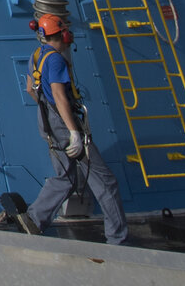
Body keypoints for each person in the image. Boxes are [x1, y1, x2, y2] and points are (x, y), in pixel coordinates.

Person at [18, 13, 128, 246]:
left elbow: (30, 88)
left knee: (66, 177)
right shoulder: (56, 60)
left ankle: (35, 219)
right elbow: (59, 95)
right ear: (63, 33)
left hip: (46, 122)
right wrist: (74, 133)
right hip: (63, 125)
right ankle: (117, 239)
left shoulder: (36, 55)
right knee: (105, 181)